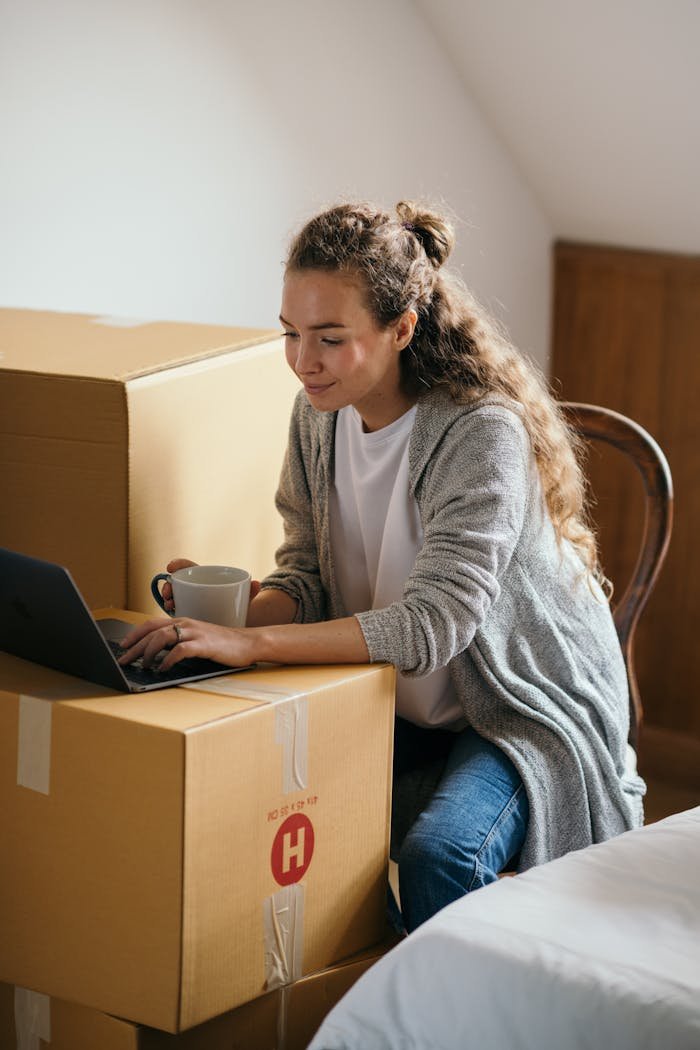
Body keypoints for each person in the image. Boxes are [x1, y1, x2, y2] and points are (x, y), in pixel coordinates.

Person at [119, 200, 646, 933]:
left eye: (330, 339)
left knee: (441, 857)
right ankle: (384, 999)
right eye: (291, 335)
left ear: (400, 328)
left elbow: (435, 626)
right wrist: (226, 615)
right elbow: (305, 579)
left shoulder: (477, 430)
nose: (304, 361)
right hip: (391, 701)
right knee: (248, 802)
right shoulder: (317, 415)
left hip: (512, 714)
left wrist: (254, 645)